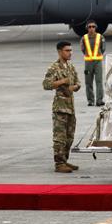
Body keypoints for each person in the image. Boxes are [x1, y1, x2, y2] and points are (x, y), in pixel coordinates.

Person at [42, 41, 81, 173]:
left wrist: (73, 87)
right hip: (60, 108)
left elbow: (78, 83)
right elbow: (46, 84)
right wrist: (62, 82)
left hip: (70, 107)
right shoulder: (54, 68)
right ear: (60, 52)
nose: (70, 53)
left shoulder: (70, 66)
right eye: (67, 50)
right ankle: (59, 164)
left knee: (70, 136)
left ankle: (64, 160)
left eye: (70, 50)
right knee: (60, 137)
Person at [80, 20, 105, 106]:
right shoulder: (84, 38)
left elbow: (103, 48)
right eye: (89, 27)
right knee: (88, 82)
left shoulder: (100, 37)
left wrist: (98, 55)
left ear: (95, 27)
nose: (91, 28)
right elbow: (82, 49)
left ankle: (99, 100)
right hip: (88, 63)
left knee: (99, 81)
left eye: (93, 26)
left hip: (98, 62)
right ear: (87, 28)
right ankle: (90, 100)